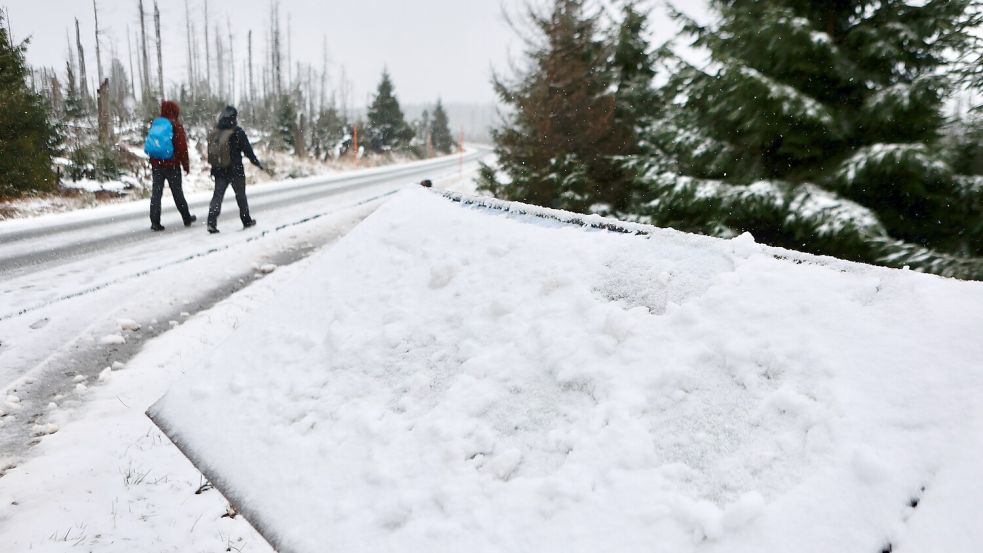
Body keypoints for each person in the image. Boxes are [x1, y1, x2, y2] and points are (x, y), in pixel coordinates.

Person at [206, 106, 263, 234]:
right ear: (234, 117)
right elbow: (248, 151)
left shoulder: (216, 132)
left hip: (219, 170)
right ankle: (246, 220)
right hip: (235, 170)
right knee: (241, 196)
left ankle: (211, 222)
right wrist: (256, 163)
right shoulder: (237, 132)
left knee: (217, 196)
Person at [147, 101, 196, 231]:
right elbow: (182, 148)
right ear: (175, 111)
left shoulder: (156, 123)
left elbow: (153, 143)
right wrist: (186, 165)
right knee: (177, 193)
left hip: (157, 164)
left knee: (156, 194)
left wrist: (154, 161)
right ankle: (186, 218)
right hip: (172, 164)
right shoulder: (175, 125)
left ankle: (155, 222)